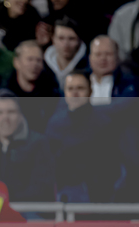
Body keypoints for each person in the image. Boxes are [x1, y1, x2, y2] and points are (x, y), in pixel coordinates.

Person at [45, 71, 120, 202]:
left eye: (80, 88)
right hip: (61, 191)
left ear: (90, 91)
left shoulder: (104, 124)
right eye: (70, 89)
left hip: (96, 193)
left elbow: (110, 167)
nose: (75, 93)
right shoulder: (54, 123)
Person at [0, 90, 55, 202]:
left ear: (20, 115)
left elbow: (42, 186)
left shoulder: (38, 143)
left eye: (11, 112)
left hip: (29, 211)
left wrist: (8, 201)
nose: (5, 118)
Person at [5, 40, 59, 132]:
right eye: (30, 59)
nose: (34, 65)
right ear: (16, 62)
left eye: (38, 60)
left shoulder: (52, 93)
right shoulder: (5, 94)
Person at [89, 35, 138, 106]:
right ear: (90, 58)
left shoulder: (130, 85)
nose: (103, 58)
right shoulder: (80, 82)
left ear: (117, 57)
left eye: (108, 54)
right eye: (98, 54)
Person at [43, 17, 88, 91]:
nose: (66, 44)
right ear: (53, 39)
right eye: (61, 38)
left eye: (71, 39)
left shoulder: (88, 67)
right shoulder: (43, 67)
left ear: (79, 41)